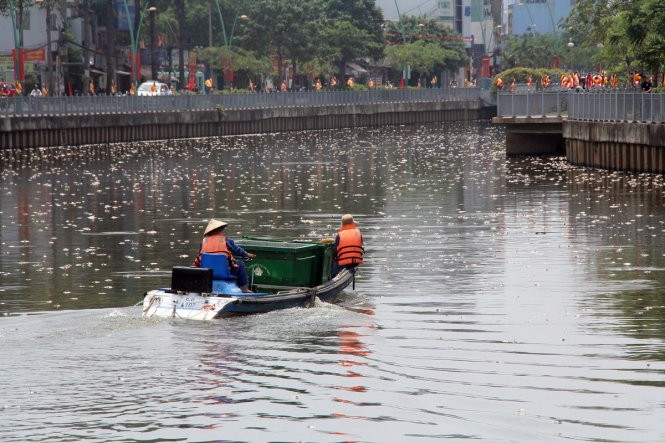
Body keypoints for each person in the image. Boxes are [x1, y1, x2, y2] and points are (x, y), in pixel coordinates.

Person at [193, 219, 256, 293]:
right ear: (219, 230)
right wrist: (247, 254)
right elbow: (237, 250)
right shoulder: (226, 240)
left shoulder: (204, 242)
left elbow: (200, 256)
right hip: (224, 272)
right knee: (240, 264)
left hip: (207, 273)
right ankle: (244, 288)